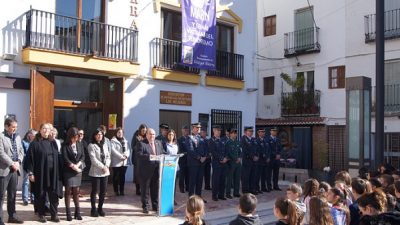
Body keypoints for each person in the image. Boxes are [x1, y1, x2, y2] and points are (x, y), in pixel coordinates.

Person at [27, 123, 62, 223]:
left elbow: (57, 157)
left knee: (54, 194)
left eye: (48, 129)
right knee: (41, 194)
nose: (46, 130)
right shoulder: (35, 143)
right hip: (40, 173)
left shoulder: (53, 142)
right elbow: (29, 159)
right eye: (44, 128)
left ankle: (54, 215)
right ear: (40, 130)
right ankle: (41, 214)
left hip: (53, 174)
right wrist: (31, 173)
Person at [0, 118, 24, 224]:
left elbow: (21, 150)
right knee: (1, 195)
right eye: (13, 127)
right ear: (6, 126)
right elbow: (1, 153)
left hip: (15, 170)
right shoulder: (1, 137)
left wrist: (18, 161)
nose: (15, 129)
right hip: (4, 170)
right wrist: (12, 163)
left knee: (12, 194)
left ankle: (12, 216)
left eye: (16, 127)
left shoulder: (18, 137)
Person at [137, 128, 166, 214]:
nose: (152, 136)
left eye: (153, 134)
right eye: (150, 134)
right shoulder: (141, 143)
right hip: (145, 172)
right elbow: (139, 155)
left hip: (156, 171)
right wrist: (150, 157)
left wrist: (170, 156)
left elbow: (163, 152)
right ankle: (145, 206)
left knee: (155, 190)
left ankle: (155, 205)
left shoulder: (158, 143)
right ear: (146, 135)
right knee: (145, 191)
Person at [61, 127, 85, 221]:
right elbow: (65, 158)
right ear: (70, 136)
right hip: (68, 171)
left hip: (77, 170)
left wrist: (78, 165)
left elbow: (83, 156)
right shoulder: (65, 145)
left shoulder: (80, 143)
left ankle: (77, 212)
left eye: (77, 137)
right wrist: (72, 166)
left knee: (76, 191)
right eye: (74, 137)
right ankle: (68, 213)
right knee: (68, 192)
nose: (76, 139)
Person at [88, 128, 111, 217]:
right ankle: (93, 209)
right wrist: (102, 167)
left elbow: (108, 156)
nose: (99, 136)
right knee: (95, 191)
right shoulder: (91, 145)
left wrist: (107, 166)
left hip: (105, 171)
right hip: (96, 172)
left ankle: (100, 208)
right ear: (94, 136)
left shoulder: (105, 144)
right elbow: (93, 159)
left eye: (101, 134)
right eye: (98, 134)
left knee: (103, 191)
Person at [187, 123, 207, 199]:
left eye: (199, 128)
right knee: (192, 181)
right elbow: (190, 150)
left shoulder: (201, 138)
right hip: (193, 163)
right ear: (193, 128)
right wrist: (199, 158)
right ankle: (191, 198)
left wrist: (205, 156)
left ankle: (198, 197)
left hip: (201, 163)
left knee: (200, 181)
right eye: (197, 128)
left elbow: (206, 148)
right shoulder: (189, 138)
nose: (198, 129)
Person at [209, 125, 229, 201]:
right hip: (217, 163)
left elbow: (227, 150)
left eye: (220, 131)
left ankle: (221, 195)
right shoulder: (211, 140)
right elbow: (213, 152)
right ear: (214, 131)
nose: (219, 132)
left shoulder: (223, 140)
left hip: (224, 163)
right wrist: (221, 158)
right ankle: (214, 195)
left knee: (223, 180)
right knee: (216, 180)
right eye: (217, 130)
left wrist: (226, 158)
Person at [111, 127, 130, 196]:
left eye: (121, 132)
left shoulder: (125, 141)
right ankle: (116, 190)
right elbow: (113, 150)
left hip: (124, 161)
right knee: (116, 176)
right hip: (116, 162)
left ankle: (122, 190)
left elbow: (128, 150)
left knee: (122, 176)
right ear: (116, 133)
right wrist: (120, 156)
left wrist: (126, 156)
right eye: (119, 132)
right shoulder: (112, 141)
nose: (120, 134)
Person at [21, 128, 37, 206]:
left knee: (33, 181)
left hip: (34, 165)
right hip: (26, 164)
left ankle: (33, 198)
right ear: (29, 135)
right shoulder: (24, 142)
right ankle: (25, 199)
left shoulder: (37, 142)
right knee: (26, 181)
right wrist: (29, 156)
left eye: (35, 135)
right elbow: (22, 153)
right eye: (33, 135)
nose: (34, 136)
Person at [131, 124, 147, 195]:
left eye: (145, 130)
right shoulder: (136, 135)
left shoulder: (147, 136)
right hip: (137, 159)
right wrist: (140, 144)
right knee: (137, 174)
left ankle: (144, 189)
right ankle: (138, 189)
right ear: (140, 130)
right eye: (143, 130)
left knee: (144, 174)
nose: (144, 132)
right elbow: (132, 146)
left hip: (145, 159)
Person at [226, 128, 242, 198]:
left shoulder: (238, 142)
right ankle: (228, 193)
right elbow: (228, 153)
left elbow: (240, 151)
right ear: (230, 134)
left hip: (238, 163)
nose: (235, 135)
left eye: (235, 133)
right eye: (233, 133)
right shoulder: (228, 142)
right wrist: (235, 158)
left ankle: (236, 192)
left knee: (237, 178)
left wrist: (239, 158)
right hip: (231, 163)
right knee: (229, 179)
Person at [241, 126, 257, 194]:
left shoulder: (253, 139)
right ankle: (245, 190)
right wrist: (252, 156)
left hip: (253, 161)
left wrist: (256, 156)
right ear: (245, 132)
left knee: (253, 176)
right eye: (249, 131)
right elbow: (245, 150)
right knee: (246, 176)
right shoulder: (243, 139)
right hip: (247, 160)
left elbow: (256, 148)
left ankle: (252, 189)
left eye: (252, 131)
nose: (251, 132)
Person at [266, 127, 282, 191]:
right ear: (270, 131)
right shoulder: (267, 139)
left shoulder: (278, 139)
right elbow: (268, 149)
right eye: (273, 131)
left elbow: (280, 148)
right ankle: (269, 187)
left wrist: (279, 154)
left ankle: (276, 186)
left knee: (276, 173)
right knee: (269, 174)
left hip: (277, 159)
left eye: (275, 131)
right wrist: (275, 155)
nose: (274, 132)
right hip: (271, 159)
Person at [178, 125, 190, 193]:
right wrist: (187, 153)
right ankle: (181, 188)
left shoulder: (190, 138)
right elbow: (179, 150)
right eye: (185, 130)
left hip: (189, 160)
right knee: (182, 175)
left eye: (187, 130)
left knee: (188, 175)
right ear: (182, 131)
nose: (186, 132)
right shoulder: (179, 139)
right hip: (182, 160)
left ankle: (187, 187)